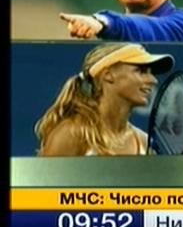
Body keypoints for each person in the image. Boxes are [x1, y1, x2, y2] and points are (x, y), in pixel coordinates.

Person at [35, 43, 174, 156]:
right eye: (141, 71)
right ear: (108, 75)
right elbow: (41, 183)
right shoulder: (71, 133)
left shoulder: (144, 143)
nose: (153, 80)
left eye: (151, 73)